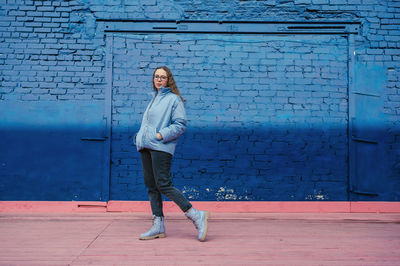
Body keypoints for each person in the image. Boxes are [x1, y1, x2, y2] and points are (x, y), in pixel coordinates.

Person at [134, 66, 210, 242]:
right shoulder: (153, 99)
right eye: (156, 76)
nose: (159, 79)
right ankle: (158, 225)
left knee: (163, 184)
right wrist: (140, 138)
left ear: (169, 79)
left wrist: (160, 135)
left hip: (161, 147)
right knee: (151, 186)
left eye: (162, 76)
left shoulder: (174, 99)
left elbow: (180, 124)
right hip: (146, 146)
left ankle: (196, 215)